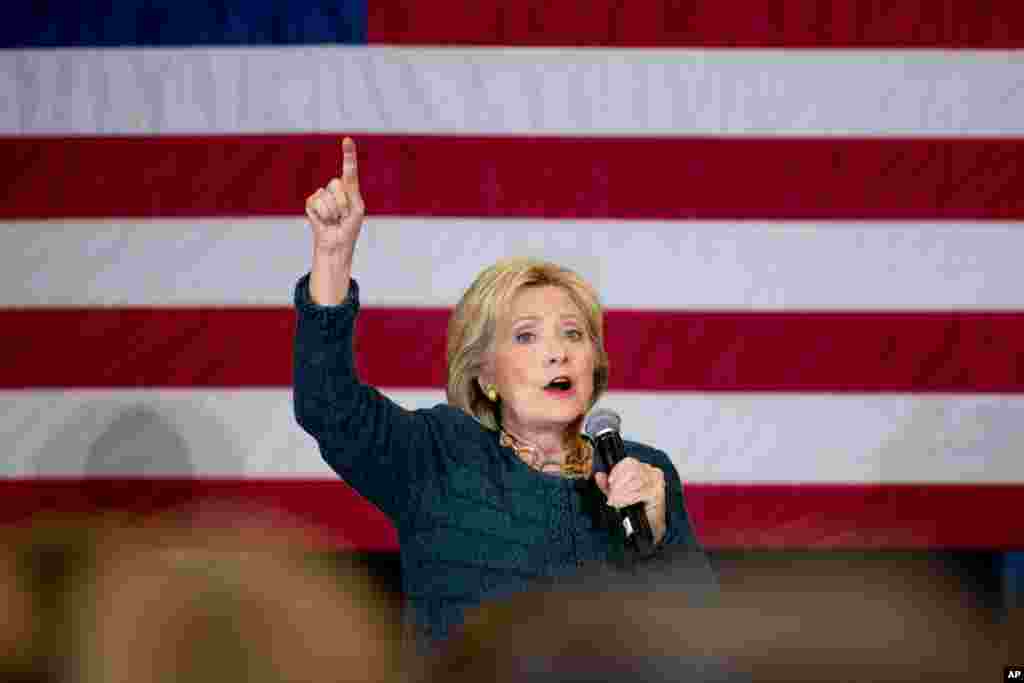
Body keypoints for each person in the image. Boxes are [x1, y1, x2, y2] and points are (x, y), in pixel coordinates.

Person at [292, 137, 713, 647]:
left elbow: (704, 646)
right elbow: (327, 404)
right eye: (526, 335)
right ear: (486, 375)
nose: (557, 353)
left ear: (595, 362)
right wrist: (332, 260)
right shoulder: (437, 457)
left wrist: (658, 538)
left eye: (573, 334)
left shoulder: (643, 473)